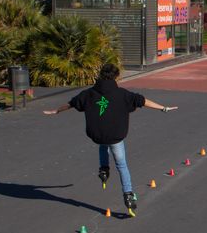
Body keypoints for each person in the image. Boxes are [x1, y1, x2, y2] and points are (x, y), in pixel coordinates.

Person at [43, 63, 177, 216]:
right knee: (121, 165)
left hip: (97, 134)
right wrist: (163, 108)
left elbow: (72, 103)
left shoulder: (88, 93)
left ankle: (104, 169)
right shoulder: (123, 94)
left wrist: (56, 110)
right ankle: (128, 195)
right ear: (116, 77)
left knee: (102, 142)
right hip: (115, 136)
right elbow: (143, 101)